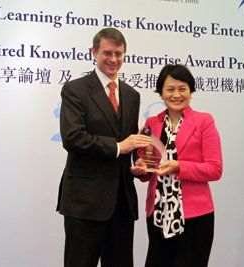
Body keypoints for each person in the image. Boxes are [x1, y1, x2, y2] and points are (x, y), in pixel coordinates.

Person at [56, 27, 151, 267]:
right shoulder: (75, 90)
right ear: (94, 53)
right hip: (84, 202)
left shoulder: (132, 95)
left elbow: (130, 141)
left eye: (119, 54)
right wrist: (119, 147)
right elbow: (73, 138)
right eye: (107, 53)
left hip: (121, 203)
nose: (113, 59)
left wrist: (138, 163)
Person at [131, 64, 223, 267]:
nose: (176, 94)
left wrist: (179, 166)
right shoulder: (151, 125)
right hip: (158, 212)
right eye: (170, 89)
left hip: (194, 217)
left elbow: (215, 169)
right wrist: (141, 170)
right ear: (161, 92)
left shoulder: (204, 122)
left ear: (191, 91)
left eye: (182, 88)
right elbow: (147, 166)